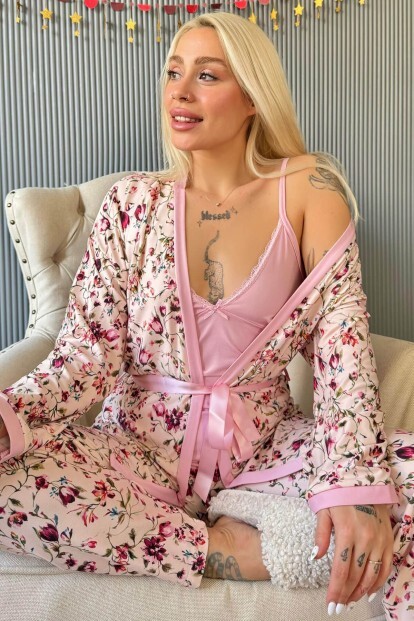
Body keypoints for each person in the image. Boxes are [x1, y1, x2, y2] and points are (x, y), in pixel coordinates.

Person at [0, 11, 412, 619]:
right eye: (173, 73)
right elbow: (85, 357)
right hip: (134, 452)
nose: (180, 91)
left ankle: (266, 527)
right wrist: (11, 412)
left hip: (267, 452)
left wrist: (355, 484)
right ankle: (221, 549)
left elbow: (341, 355)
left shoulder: (308, 190)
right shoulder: (133, 203)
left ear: (252, 96)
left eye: (207, 75)